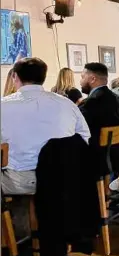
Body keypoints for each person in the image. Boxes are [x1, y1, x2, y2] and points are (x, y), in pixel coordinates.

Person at [1, 58, 90, 194]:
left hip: (17, 180)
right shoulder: (67, 104)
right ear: (44, 77)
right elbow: (84, 138)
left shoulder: (3, 105)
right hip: (62, 176)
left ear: (15, 76)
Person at [79, 63, 119, 176]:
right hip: (117, 155)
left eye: (82, 77)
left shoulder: (91, 103)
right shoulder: (116, 98)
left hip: (97, 157)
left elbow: (80, 128)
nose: (80, 81)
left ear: (92, 79)